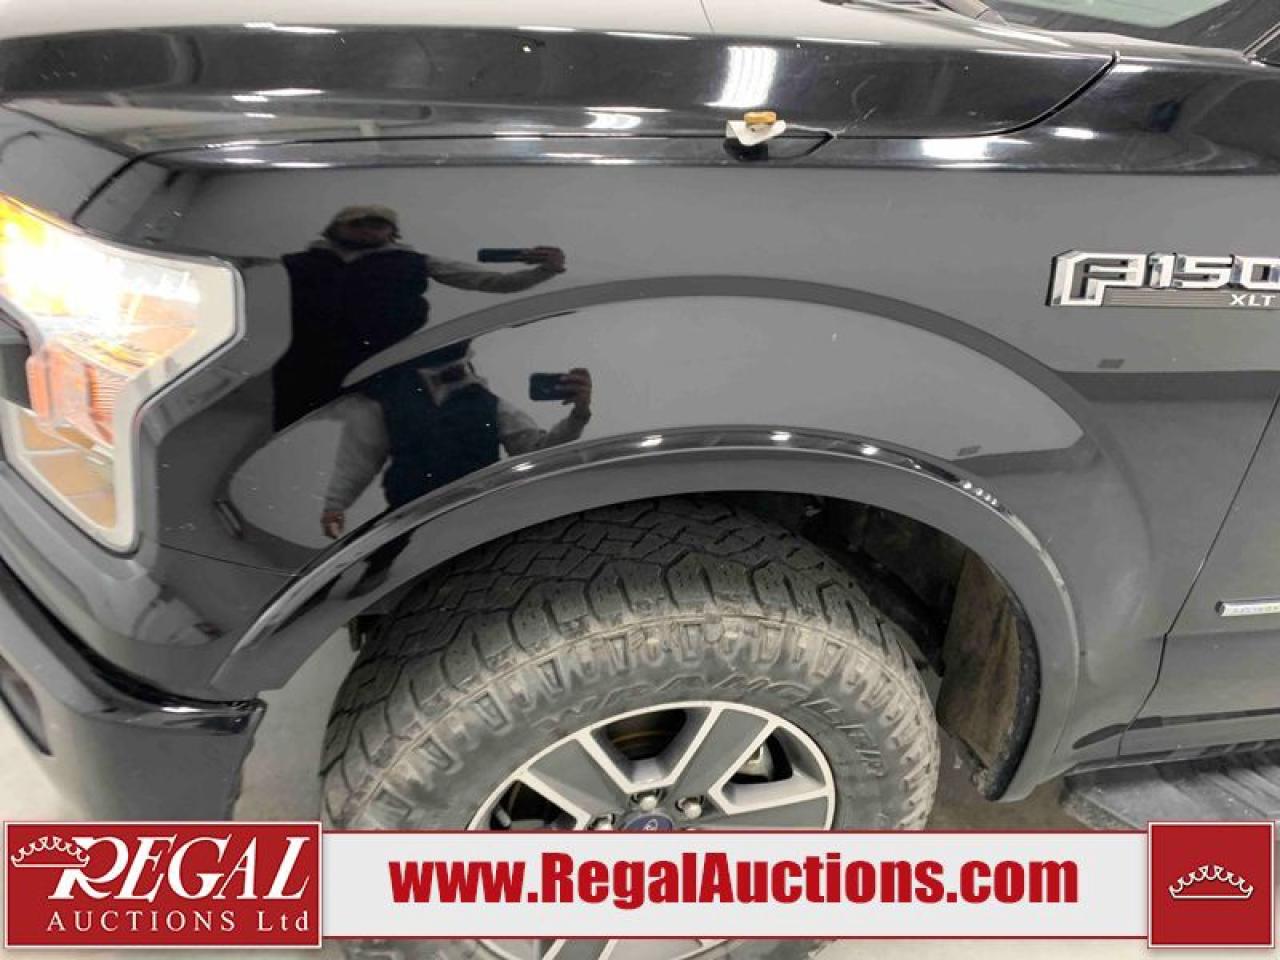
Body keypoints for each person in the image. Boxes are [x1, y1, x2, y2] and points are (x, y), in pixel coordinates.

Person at [274, 205, 565, 429]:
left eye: (376, 224)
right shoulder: (294, 264)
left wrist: (545, 270)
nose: (366, 230)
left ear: (391, 232)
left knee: (382, 432)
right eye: (356, 223)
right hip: (306, 364)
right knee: (295, 429)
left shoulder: (414, 262)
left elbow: (492, 282)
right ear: (335, 228)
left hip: (385, 362)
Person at [320, 345, 592, 539]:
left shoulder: (487, 404)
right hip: (411, 520)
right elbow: (359, 458)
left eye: (458, 366)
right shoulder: (389, 404)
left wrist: (578, 415)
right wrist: (335, 505)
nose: (455, 374)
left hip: (479, 513)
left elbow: (534, 449)